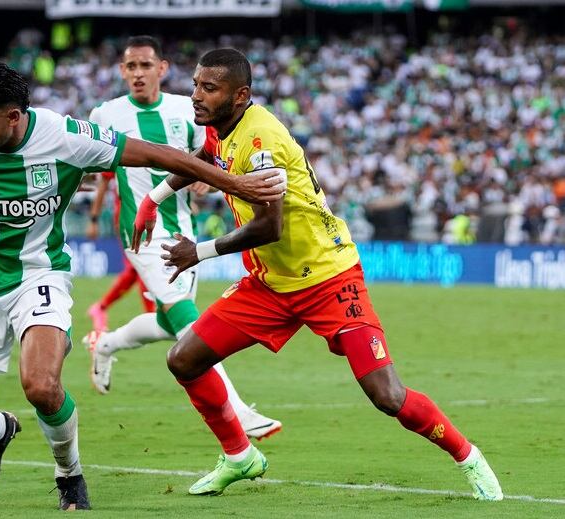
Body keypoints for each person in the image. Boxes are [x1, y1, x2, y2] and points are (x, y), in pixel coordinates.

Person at [0, 61, 285, 510]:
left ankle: (69, 473)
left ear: (13, 116)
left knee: (41, 386)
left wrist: (235, 184)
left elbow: (159, 155)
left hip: (39, 275)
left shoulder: (65, 136)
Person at [133, 48, 503, 501]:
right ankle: (239, 456)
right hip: (270, 284)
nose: (196, 95)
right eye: (196, 84)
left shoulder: (261, 141)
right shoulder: (222, 127)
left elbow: (270, 225)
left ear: (240, 95)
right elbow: (205, 153)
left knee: (387, 395)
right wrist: (154, 198)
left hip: (329, 279)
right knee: (184, 359)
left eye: (209, 88)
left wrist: (200, 251)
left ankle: (468, 456)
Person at [83, 36, 281, 440]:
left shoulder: (184, 108)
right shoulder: (105, 114)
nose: (138, 73)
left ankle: (105, 344)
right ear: (122, 71)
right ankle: (239, 411)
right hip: (140, 232)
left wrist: (205, 180)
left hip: (182, 230)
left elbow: (204, 154)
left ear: (162, 68)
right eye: (131, 66)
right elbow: (89, 166)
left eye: (145, 65)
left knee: (167, 320)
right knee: (185, 317)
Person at [85, 171, 155, 331]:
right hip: (127, 217)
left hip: (150, 215)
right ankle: (151, 314)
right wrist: (94, 220)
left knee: (136, 268)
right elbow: (103, 185)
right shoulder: (122, 156)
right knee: (141, 263)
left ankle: (100, 307)